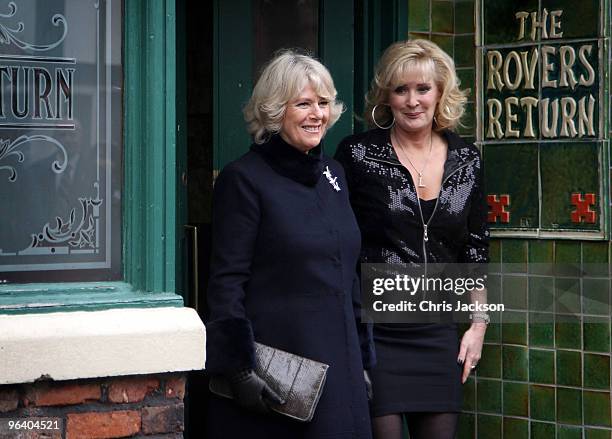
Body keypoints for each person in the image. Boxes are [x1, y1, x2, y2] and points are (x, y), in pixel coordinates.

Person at [204, 50, 374, 439]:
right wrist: (238, 368)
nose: (317, 114)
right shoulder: (243, 179)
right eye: (303, 104)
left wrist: (362, 361)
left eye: (323, 103)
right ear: (274, 110)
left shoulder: (334, 174)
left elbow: (349, 274)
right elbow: (227, 281)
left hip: (340, 365)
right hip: (280, 377)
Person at [335, 39, 489, 439]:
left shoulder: (466, 159)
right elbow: (337, 241)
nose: (412, 100)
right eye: (400, 89)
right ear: (386, 96)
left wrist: (478, 324)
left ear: (440, 93)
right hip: (374, 333)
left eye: (423, 89)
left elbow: (474, 248)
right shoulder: (358, 155)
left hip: (437, 332)